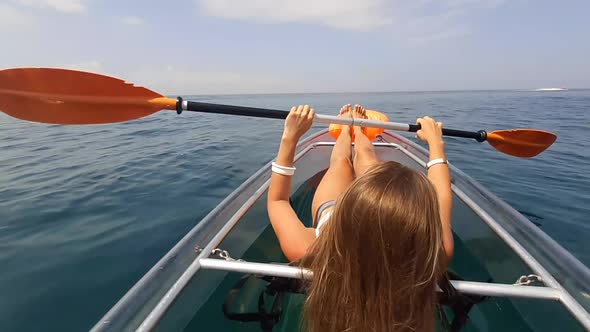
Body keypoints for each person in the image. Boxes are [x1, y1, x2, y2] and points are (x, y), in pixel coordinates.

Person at [267, 104, 453, 332]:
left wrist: (290, 137)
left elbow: (277, 201)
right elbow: (441, 194)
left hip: (331, 209)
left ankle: (347, 129)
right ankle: (361, 130)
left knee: (339, 163)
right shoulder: (435, 252)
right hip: (343, 212)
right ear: (422, 226)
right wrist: (437, 145)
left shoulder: (314, 251)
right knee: (365, 157)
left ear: (346, 207)